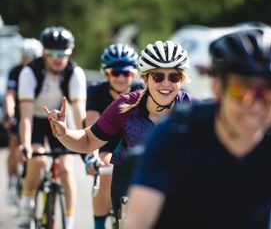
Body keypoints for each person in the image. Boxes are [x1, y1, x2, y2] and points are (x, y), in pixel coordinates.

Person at [124, 28, 271, 229]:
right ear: (217, 88)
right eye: (239, 89)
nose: (255, 106)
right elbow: (137, 223)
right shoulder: (176, 133)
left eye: (270, 90)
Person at [44, 40, 199, 227]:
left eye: (174, 77)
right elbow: (87, 141)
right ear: (145, 79)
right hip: (131, 184)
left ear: (181, 80)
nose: (166, 84)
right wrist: (64, 132)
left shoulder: (194, 110)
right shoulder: (125, 106)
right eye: (158, 77)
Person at [18, 26, 86, 229]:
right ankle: (27, 203)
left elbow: (79, 113)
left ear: (70, 52)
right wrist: (25, 145)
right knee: (37, 160)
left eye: (63, 54)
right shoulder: (29, 72)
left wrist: (86, 141)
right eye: (52, 54)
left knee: (66, 167)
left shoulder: (75, 73)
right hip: (37, 119)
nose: (58, 59)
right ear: (43, 53)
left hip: (61, 120)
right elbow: (26, 116)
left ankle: (70, 222)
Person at [83, 43, 144, 229]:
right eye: (114, 73)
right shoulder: (96, 91)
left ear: (133, 74)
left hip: (132, 140)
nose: (120, 78)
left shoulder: (141, 89)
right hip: (106, 141)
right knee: (107, 168)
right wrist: (91, 157)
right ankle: (99, 225)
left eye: (126, 73)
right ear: (106, 73)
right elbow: (92, 127)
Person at [3, 38, 43, 206]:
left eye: (31, 58)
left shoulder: (43, 70)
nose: (27, 62)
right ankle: (12, 181)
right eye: (25, 58)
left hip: (39, 112)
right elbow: (10, 95)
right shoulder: (16, 71)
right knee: (14, 142)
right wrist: (10, 114)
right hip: (21, 111)